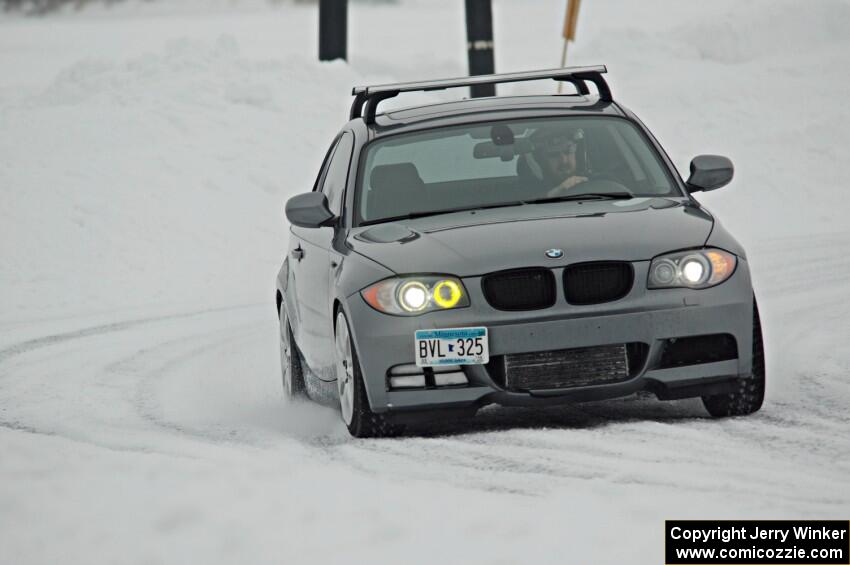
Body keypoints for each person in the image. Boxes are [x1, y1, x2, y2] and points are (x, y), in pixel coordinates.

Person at [522, 125, 589, 197]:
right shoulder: (521, 195)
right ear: (540, 161)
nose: (564, 161)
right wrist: (556, 192)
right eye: (554, 155)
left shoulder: (597, 182)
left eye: (568, 151)